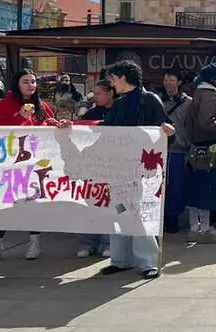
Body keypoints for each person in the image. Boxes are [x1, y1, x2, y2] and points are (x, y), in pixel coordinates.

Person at [99, 59, 174, 281]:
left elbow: (165, 128)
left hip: (143, 168)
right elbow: (106, 131)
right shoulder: (120, 103)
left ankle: (147, 261)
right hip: (120, 167)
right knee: (119, 211)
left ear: (122, 78)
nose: (112, 83)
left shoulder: (150, 100)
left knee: (142, 213)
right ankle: (120, 260)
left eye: (113, 79)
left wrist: (169, 131)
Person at [0, 68, 67, 263]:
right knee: (5, 203)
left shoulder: (42, 105)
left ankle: (34, 242)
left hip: (35, 163)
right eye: (26, 81)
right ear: (16, 84)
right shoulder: (3, 104)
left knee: (33, 202)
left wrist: (58, 124)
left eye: (33, 81)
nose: (31, 85)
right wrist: (20, 116)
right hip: (9, 163)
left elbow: (48, 124)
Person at [185, 63, 216, 243]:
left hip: (196, 148)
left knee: (196, 189)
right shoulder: (210, 96)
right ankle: (205, 229)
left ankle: (194, 228)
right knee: (207, 189)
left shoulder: (197, 92)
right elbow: (207, 123)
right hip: (209, 148)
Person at [75, 78, 116, 258]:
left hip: (113, 166)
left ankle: (108, 242)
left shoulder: (119, 112)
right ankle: (88, 243)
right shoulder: (91, 114)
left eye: (99, 93)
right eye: (95, 94)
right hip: (91, 165)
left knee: (109, 205)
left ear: (110, 93)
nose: (96, 97)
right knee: (88, 205)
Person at [160, 70, 192, 234]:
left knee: (176, 187)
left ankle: (173, 219)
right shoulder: (157, 100)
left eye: (171, 79)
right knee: (161, 187)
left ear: (179, 82)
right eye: (165, 79)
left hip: (179, 150)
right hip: (159, 150)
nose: (167, 83)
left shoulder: (188, 103)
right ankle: (162, 219)